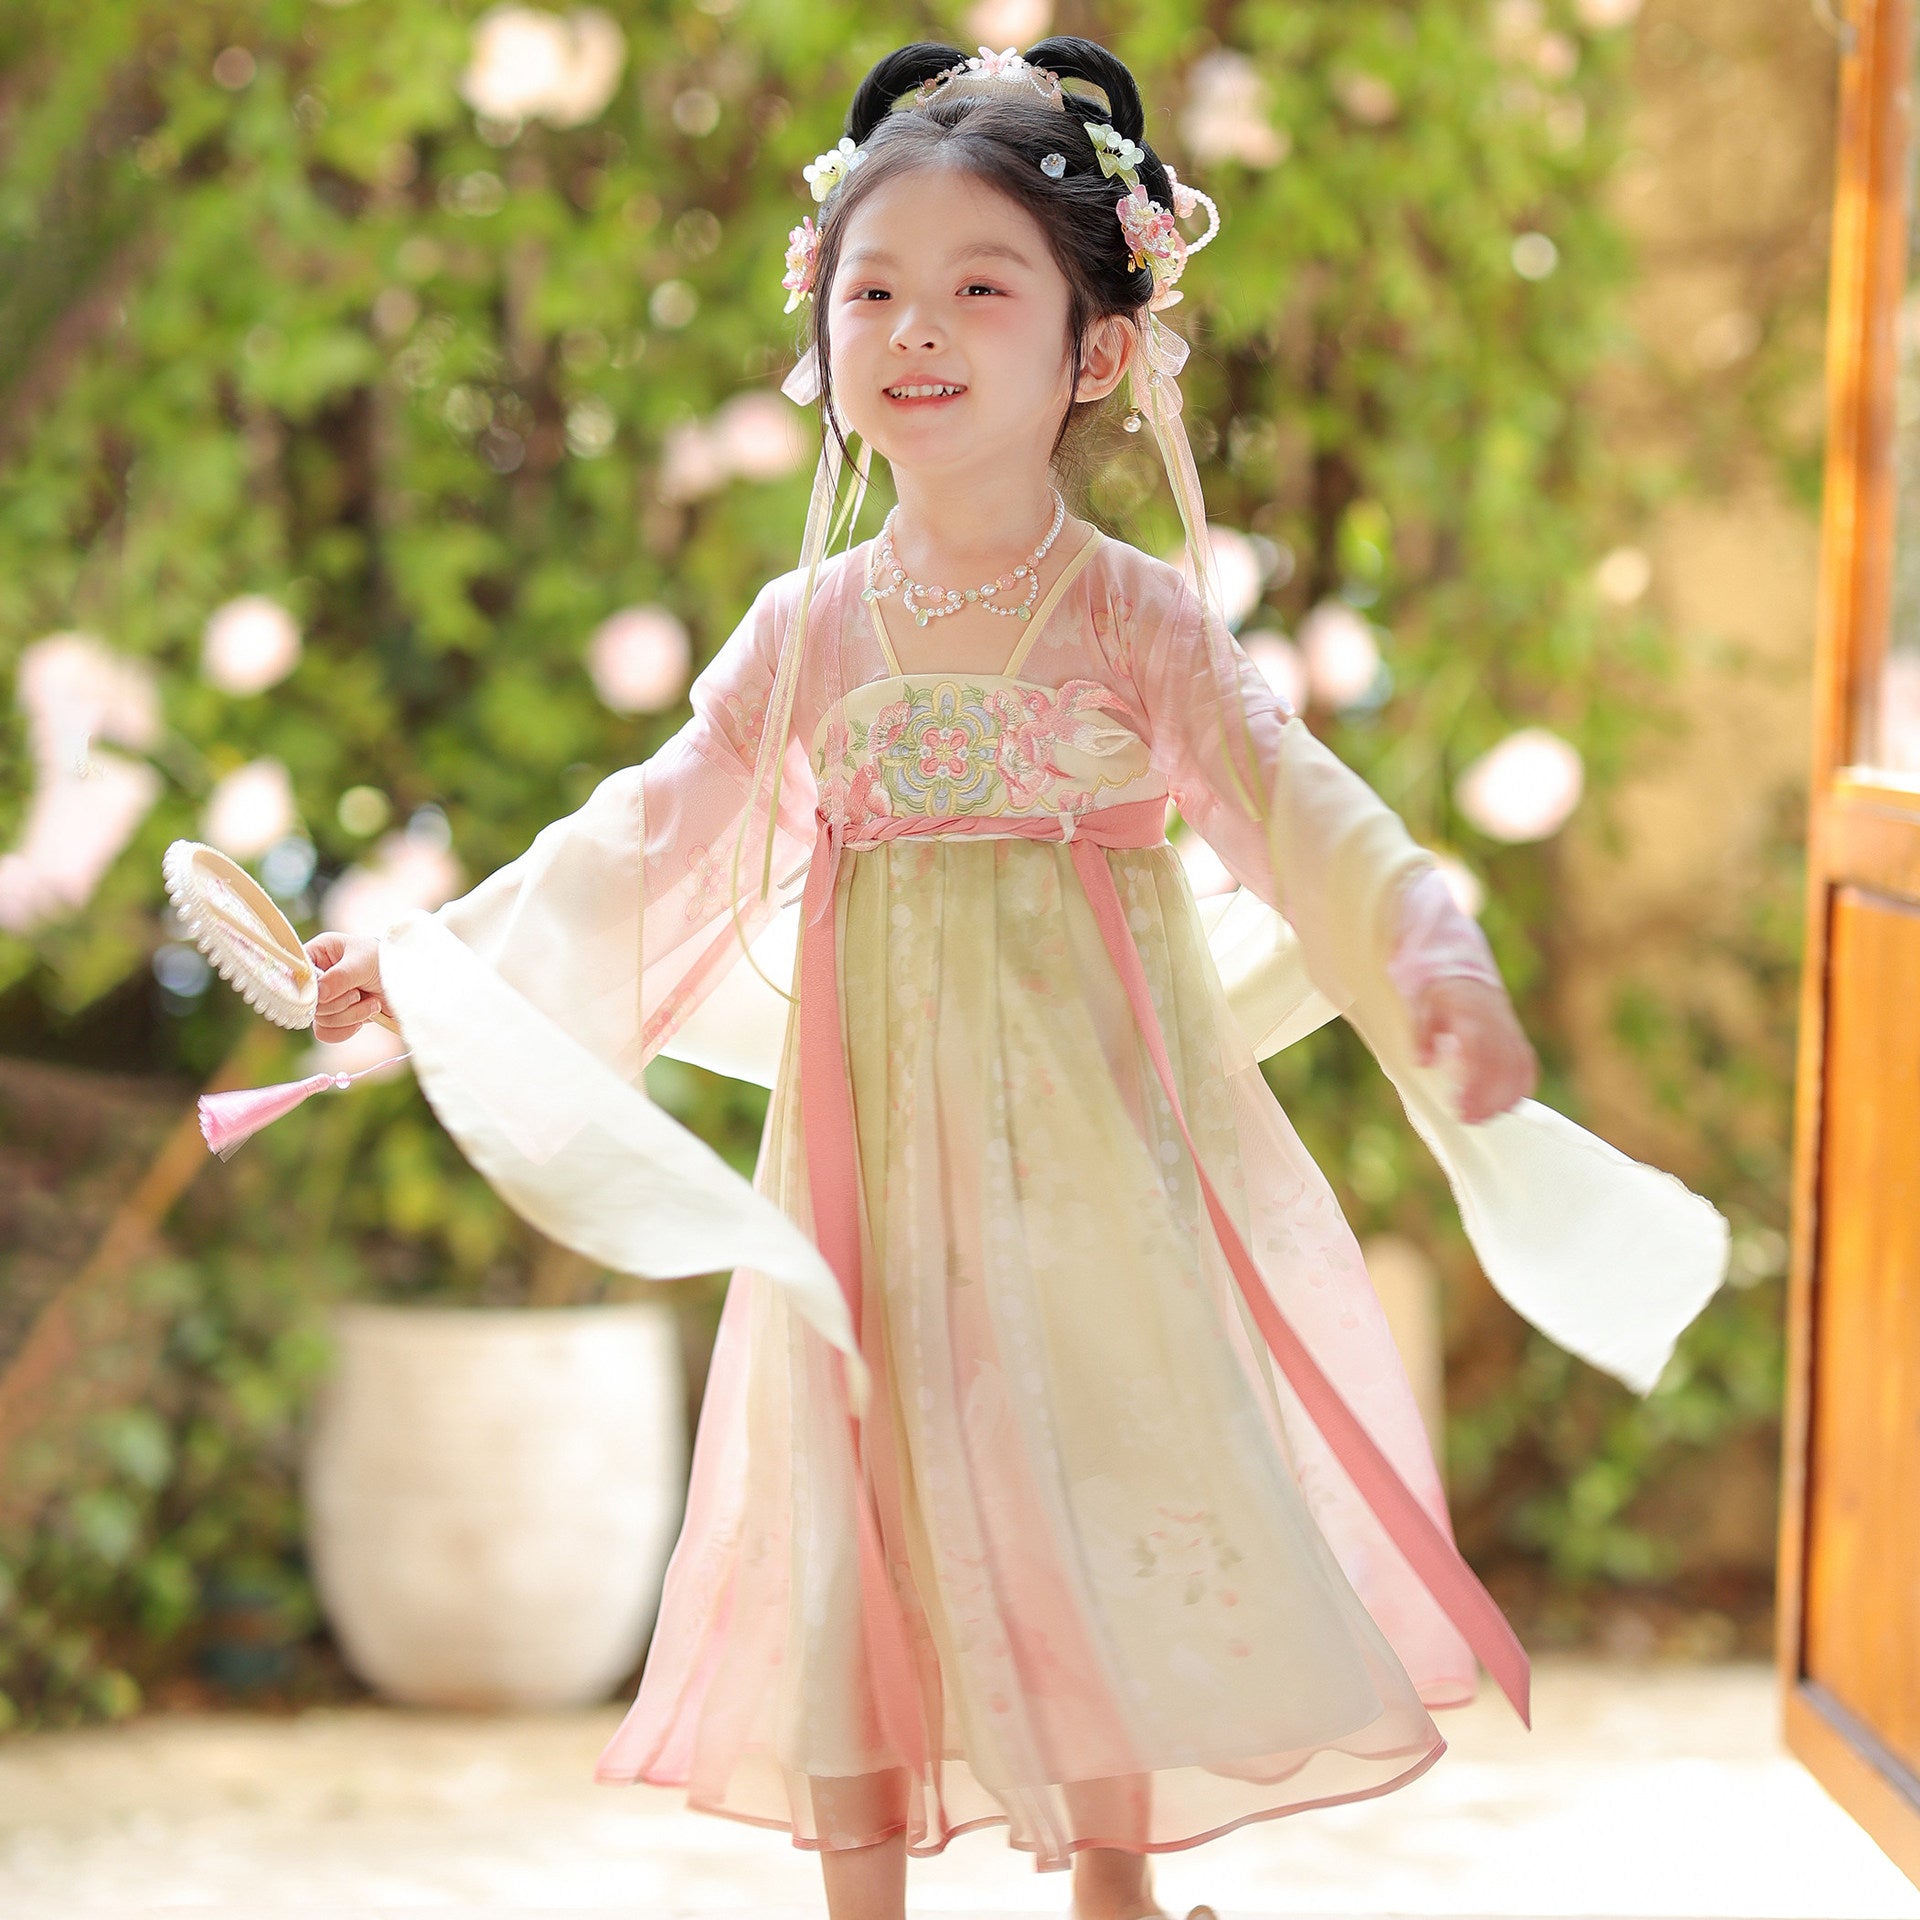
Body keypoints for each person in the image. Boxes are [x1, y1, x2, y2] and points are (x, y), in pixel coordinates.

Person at [304, 38, 1727, 1920]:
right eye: (873, 289)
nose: (917, 328)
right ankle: (861, 1894)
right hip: (870, 1166)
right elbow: (638, 840)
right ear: (823, 337)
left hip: (1094, 1168)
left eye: (983, 288)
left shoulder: (1129, 614)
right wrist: (429, 972)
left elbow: (1290, 803)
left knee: (1104, 1488)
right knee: (856, 1500)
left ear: (1096, 349)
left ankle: (1118, 1886)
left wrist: (1423, 946)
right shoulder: (809, 629)